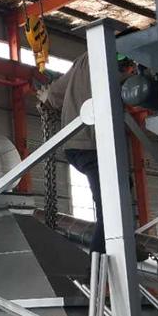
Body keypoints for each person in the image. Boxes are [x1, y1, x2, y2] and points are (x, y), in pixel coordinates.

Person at [37, 53, 106, 254]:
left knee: (113, 204)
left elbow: (54, 95)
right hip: (92, 144)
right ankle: (96, 266)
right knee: (111, 211)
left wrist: (46, 96)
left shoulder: (83, 60)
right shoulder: (109, 56)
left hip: (75, 145)